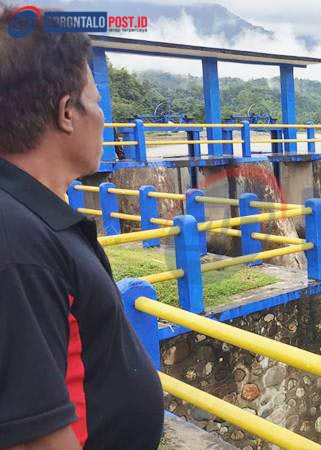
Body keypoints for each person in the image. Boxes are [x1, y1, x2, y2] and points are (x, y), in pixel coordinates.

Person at [0, 6, 164, 449]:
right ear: (67, 113)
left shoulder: (30, 216)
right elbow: (33, 436)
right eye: (96, 100)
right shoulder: (18, 246)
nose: (103, 117)